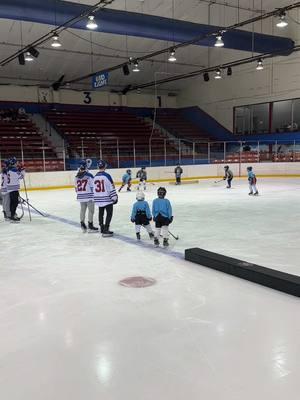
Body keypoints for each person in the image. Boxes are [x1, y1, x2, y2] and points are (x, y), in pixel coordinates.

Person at [93, 160, 118, 237]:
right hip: (107, 199)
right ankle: (106, 229)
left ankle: (102, 227)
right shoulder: (107, 176)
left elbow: (93, 189)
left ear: (98, 167)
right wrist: (114, 197)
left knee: (101, 213)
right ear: (105, 166)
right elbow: (111, 187)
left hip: (99, 199)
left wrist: (96, 198)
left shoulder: (95, 176)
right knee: (109, 214)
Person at [75, 160, 98, 233]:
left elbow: (76, 188)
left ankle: (82, 224)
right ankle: (90, 226)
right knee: (91, 211)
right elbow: (93, 187)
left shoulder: (76, 176)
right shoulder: (89, 175)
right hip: (89, 196)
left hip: (81, 196)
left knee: (82, 210)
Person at [6, 157, 25, 222]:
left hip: (10, 189)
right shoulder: (14, 170)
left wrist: (19, 169)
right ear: (13, 163)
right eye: (16, 162)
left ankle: (12, 215)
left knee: (12, 203)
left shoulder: (9, 169)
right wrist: (22, 169)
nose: (17, 163)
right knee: (15, 203)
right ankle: (13, 215)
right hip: (14, 189)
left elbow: (16, 173)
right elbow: (21, 176)